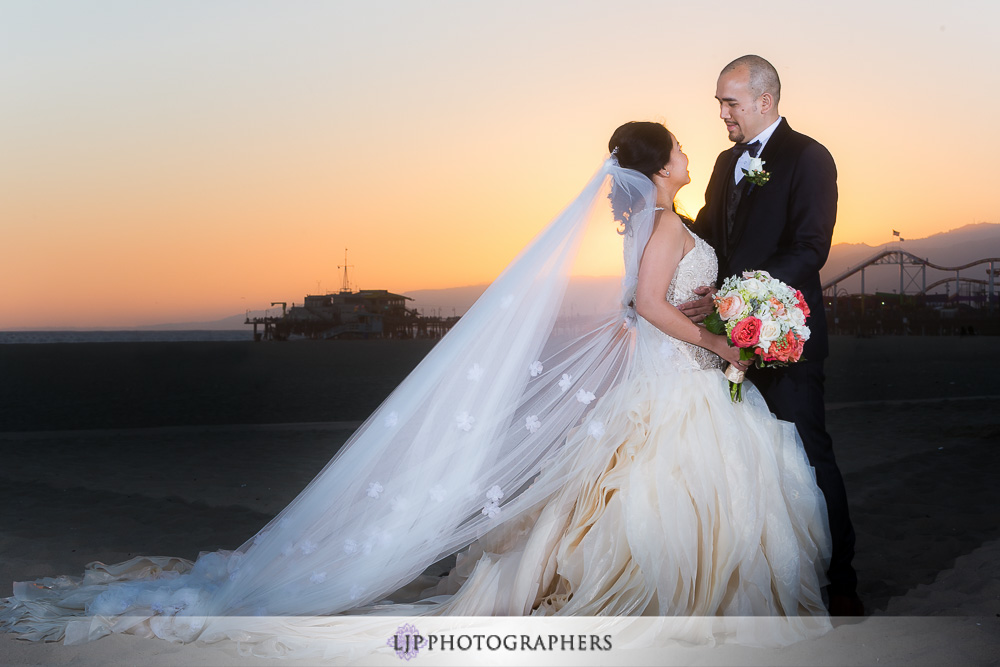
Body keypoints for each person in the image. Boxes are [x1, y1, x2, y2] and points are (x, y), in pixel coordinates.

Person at [1, 122, 832, 657]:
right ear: (657, 166)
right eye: (680, 146)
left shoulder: (660, 223)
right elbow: (649, 303)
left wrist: (705, 323)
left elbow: (640, 305)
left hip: (674, 368)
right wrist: (720, 336)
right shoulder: (662, 225)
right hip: (678, 371)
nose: (694, 151)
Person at [683, 55, 863, 616]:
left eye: (730, 102)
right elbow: (713, 235)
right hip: (728, 339)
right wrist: (657, 213)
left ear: (765, 101)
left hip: (786, 336)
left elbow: (810, 249)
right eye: (719, 102)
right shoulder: (722, 162)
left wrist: (735, 298)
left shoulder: (808, 157)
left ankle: (842, 581)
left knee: (808, 456)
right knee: (750, 461)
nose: (721, 113)